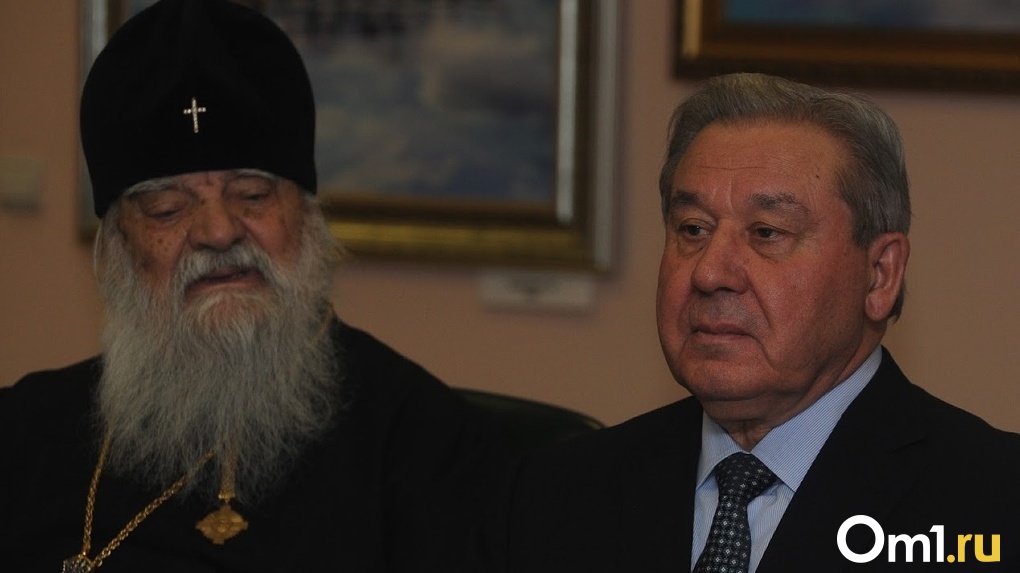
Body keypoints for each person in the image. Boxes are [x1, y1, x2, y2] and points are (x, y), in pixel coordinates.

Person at [0, 1, 502, 571]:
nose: (218, 232)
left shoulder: (427, 448)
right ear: (119, 245)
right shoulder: (23, 430)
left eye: (253, 196)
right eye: (167, 209)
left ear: (308, 216)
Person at [487, 73, 1020, 572]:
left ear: (879, 274)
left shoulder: (994, 505)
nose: (710, 272)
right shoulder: (558, 490)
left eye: (767, 232)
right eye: (693, 229)